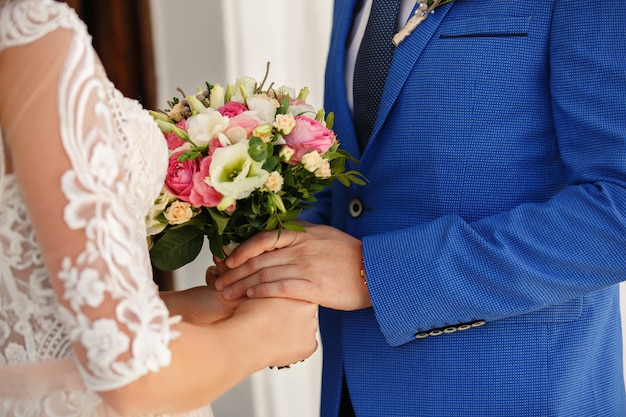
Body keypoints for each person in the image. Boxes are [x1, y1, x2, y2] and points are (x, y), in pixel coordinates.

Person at [213, 0, 626, 415]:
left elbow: (617, 210)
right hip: (350, 386)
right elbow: (357, 169)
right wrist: (272, 247)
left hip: (512, 392)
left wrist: (375, 272)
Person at [0, 0, 318, 415]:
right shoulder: (33, 34)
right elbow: (130, 374)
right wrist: (263, 335)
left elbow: (30, 319)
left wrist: (198, 307)